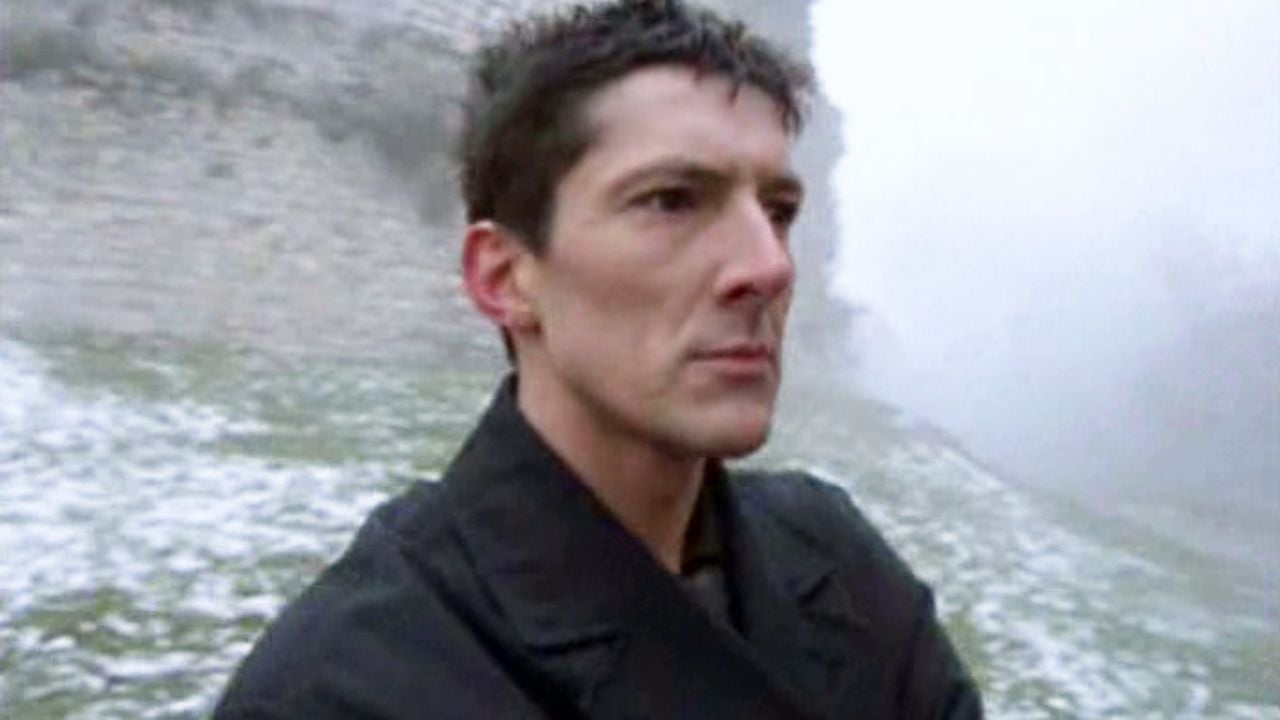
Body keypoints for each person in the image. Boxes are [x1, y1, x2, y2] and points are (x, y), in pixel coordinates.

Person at [214, 1, 983, 717]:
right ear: (505, 278)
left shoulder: (840, 564)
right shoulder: (343, 689)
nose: (769, 266)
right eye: (672, 200)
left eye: (778, 212)